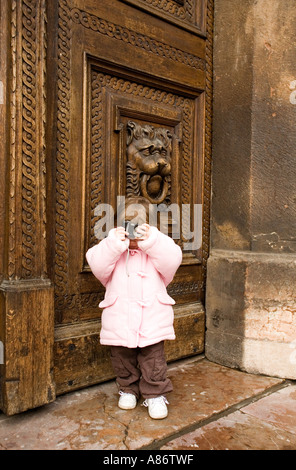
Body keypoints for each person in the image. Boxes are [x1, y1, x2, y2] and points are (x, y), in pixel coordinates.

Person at [86, 197, 182, 419]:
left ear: (150, 227)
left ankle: (155, 393)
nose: (133, 233)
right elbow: (96, 264)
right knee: (121, 357)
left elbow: (173, 259)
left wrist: (153, 240)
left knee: (153, 359)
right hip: (120, 318)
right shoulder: (114, 251)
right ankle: (127, 389)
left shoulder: (157, 249)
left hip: (152, 318)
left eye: (139, 226)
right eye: (128, 225)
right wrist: (113, 243)